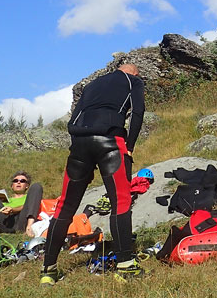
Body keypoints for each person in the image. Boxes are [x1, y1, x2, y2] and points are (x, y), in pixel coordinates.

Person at [40, 63, 145, 285]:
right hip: (111, 142)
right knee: (121, 201)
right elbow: (137, 112)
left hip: (80, 144)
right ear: (134, 73)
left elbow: (73, 118)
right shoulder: (133, 81)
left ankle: (48, 271)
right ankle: (126, 265)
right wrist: (130, 145)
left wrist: (79, 141)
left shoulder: (93, 84)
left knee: (65, 206)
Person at [0, 171, 44, 242]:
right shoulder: (6, 200)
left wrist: (13, 210)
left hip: (22, 221)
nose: (18, 182)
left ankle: (30, 227)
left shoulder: (30, 197)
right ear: (12, 186)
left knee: (37, 186)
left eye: (22, 181)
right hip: (5, 222)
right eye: (15, 181)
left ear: (27, 186)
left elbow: (30, 206)